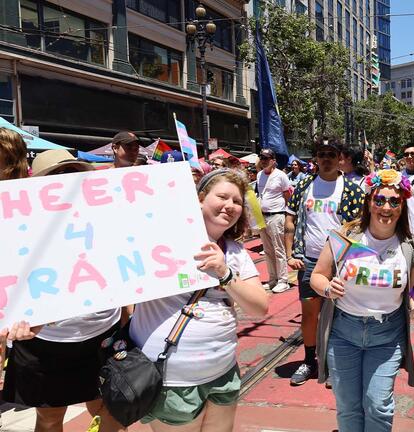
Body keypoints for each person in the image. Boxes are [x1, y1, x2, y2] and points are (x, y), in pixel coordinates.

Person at [130, 169, 269, 430]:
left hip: (222, 373)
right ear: (200, 198)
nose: (230, 206)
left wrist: (225, 273)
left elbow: (260, 307)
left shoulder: (236, 251)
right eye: (222, 197)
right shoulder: (159, 239)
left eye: (237, 201)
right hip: (172, 380)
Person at [2, 149, 127, 432]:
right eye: (58, 177)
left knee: (110, 411)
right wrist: (14, 323)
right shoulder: (17, 227)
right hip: (44, 344)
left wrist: (127, 320)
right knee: (49, 418)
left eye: (74, 175)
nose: (67, 183)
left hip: (102, 336)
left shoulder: (106, 219)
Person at [311, 169, 414, 431]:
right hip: (343, 334)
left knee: (377, 405)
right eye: (379, 200)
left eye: (394, 202)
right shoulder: (345, 237)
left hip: (387, 337)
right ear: (369, 202)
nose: (386, 207)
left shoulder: (410, 246)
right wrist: (328, 288)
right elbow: (317, 276)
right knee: (348, 406)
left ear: (402, 206)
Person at [284, 137, 365, 386]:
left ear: (340, 157)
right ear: (315, 158)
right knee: (309, 315)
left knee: (341, 315)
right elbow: (290, 223)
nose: (326, 158)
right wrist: (290, 255)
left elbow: (359, 229)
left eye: (332, 154)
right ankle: (310, 361)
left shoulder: (352, 190)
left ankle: (334, 361)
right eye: (321, 154)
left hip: (340, 263)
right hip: (308, 261)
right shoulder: (303, 186)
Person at [256, 148, 292, 293]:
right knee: (268, 250)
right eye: (261, 158)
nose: (263, 161)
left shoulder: (281, 176)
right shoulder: (259, 175)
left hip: (277, 216)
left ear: (273, 160)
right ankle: (272, 279)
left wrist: (288, 215)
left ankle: (283, 280)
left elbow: (287, 195)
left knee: (279, 249)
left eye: (266, 158)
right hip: (262, 216)